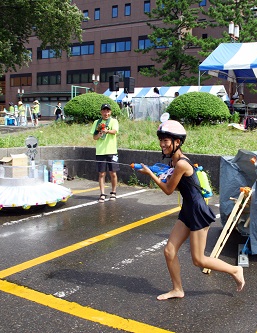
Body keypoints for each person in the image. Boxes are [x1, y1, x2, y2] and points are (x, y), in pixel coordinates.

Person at [136, 120, 245, 300]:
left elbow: (168, 190)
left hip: (197, 210)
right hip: (188, 208)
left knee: (199, 259)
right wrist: (163, 174)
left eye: (166, 140)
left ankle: (235, 269)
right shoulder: (173, 161)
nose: (163, 144)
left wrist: (151, 174)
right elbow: (180, 187)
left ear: (177, 142)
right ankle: (177, 289)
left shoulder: (181, 164)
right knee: (169, 251)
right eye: (161, 140)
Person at [90, 103, 119, 203]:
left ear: (110, 112)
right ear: (101, 112)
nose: (106, 113)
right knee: (101, 174)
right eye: (104, 111)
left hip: (112, 151)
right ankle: (102, 193)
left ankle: (113, 192)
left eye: (108, 111)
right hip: (100, 151)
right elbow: (94, 137)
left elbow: (115, 131)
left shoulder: (114, 121)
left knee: (113, 173)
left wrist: (107, 131)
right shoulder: (96, 122)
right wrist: (100, 133)